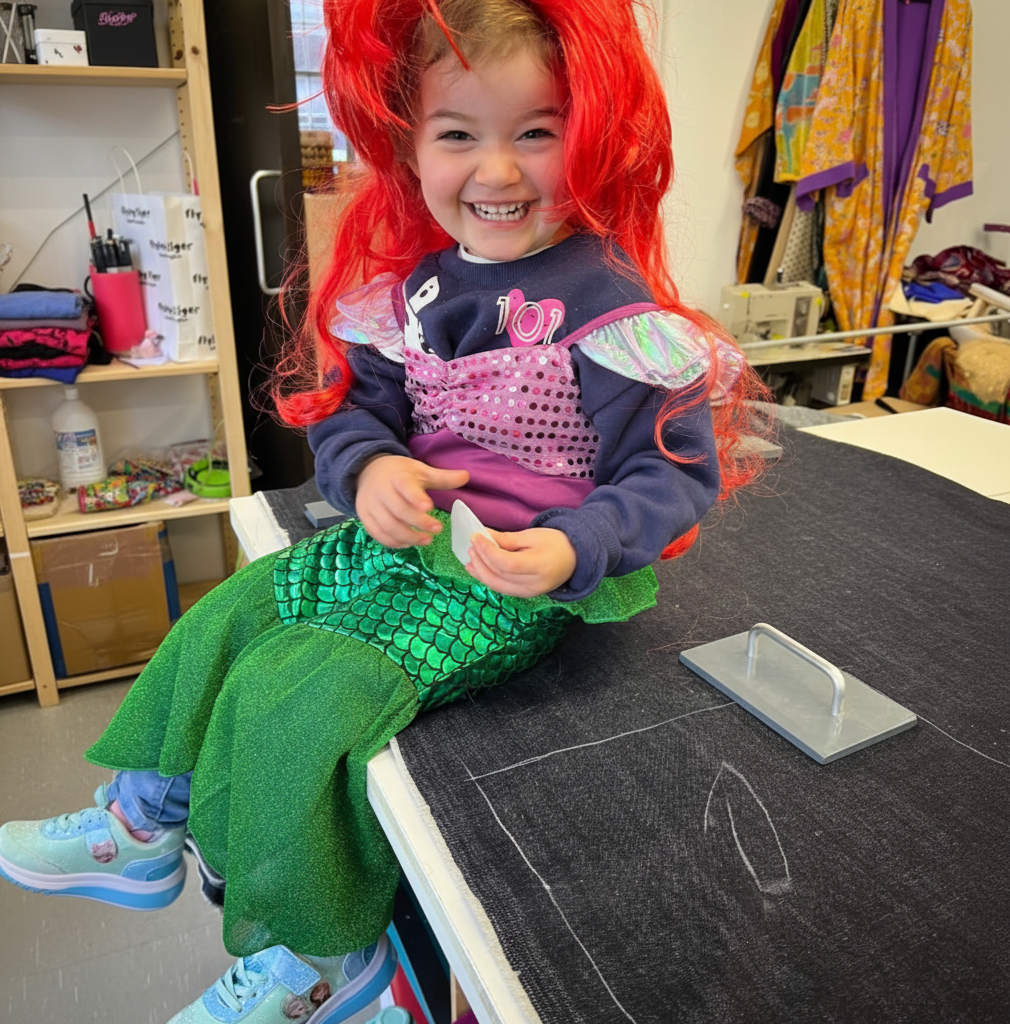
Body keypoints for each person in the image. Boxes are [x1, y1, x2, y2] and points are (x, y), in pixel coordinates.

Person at [0, 1, 769, 1021]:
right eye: (459, 135)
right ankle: (144, 820)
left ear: (588, 133)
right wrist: (365, 475)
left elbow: (670, 478)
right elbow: (350, 415)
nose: (496, 173)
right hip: (391, 552)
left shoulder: (612, 309)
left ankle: (325, 957)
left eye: (534, 132)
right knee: (225, 618)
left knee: (296, 695)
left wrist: (571, 544)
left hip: (506, 584)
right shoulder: (408, 293)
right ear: (409, 143)